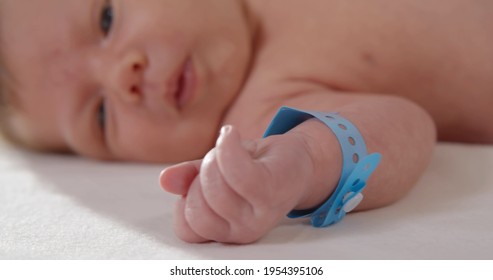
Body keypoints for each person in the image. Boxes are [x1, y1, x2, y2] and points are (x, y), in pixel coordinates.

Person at [0, 0, 492, 244]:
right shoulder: (262, 113)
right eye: (101, 115)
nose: (121, 77)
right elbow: (402, 127)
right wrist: (303, 161)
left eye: (106, 21)